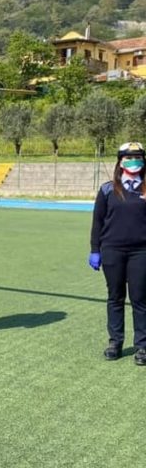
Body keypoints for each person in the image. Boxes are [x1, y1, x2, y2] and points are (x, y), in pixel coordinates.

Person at [89, 142, 146, 365]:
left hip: (141, 251)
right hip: (112, 250)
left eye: (138, 157)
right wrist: (95, 250)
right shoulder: (106, 189)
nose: (134, 161)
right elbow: (97, 222)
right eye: (129, 157)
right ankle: (115, 342)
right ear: (120, 161)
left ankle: (142, 346)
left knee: (140, 299)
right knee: (115, 297)